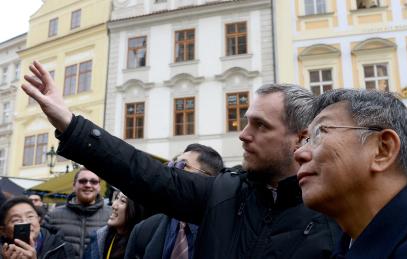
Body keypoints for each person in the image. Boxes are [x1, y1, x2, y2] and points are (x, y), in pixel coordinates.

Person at [22, 61, 340, 258]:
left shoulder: (335, 214)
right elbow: (144, 173)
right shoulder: (223, 193)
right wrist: (70, 123)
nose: (243, 134)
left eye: (260, 125)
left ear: (300, 138)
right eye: (245, 121)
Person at [294, 89, 407, 258]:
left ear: (383, 150)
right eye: (306, 140)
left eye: (319, 133)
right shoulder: (348, 247)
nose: (299, 153)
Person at [125, 143, 224, 259]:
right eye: (171, 164)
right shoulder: (142, 231)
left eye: (182, 165)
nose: (170, 172)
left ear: (207, 178)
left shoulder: (227, 233)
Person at [44, 167, 111, 258]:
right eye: (83, 181)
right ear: (74, 186)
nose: (88, 185)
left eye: (93, 182)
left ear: (99, 187)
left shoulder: (111, 216)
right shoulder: (53, 216)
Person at [0, 196, 75, 258]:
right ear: (3, 231)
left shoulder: (61, 248)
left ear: (39, 220)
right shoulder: (2, 252)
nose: (25, 222)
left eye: (30, 216)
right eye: (16, 220)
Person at [83, 190, 144, 259]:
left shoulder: (141, 248)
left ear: (135, 210)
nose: (113, 205)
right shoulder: (98, 238)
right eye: (117, 198)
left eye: (123, 201)